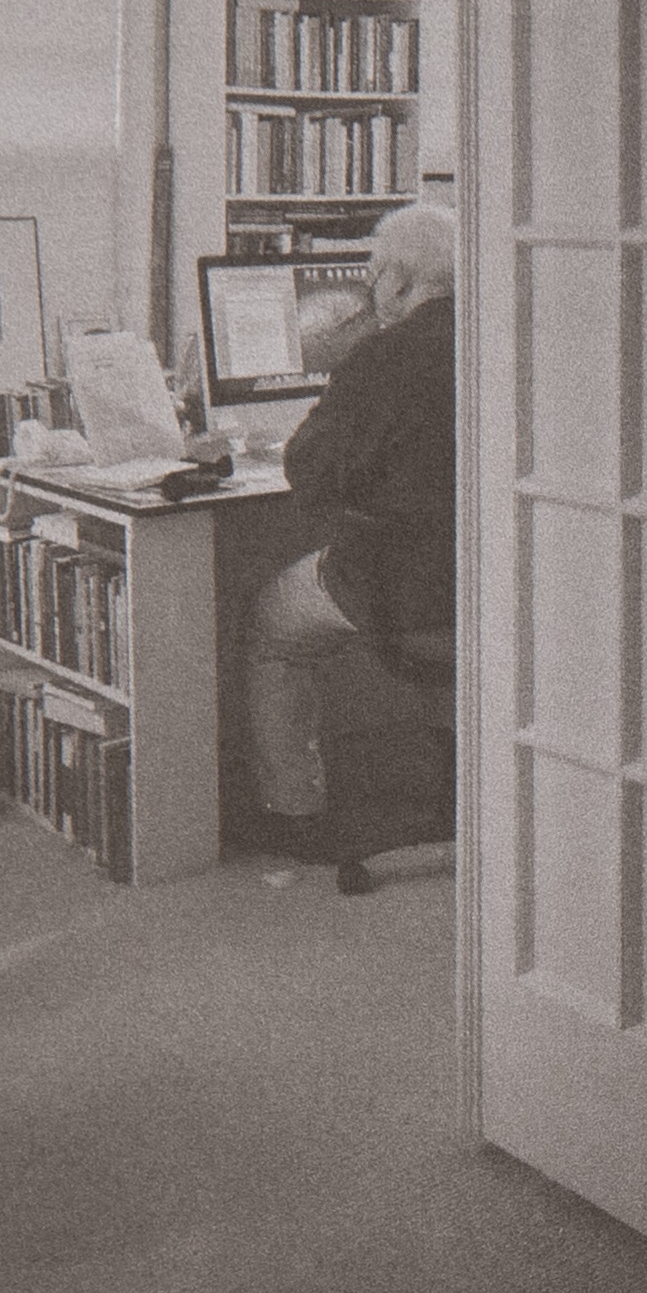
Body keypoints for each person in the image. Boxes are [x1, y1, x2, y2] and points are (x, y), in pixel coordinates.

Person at [238, 201, 455, 852]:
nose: (370, 289)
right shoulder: (504, 340)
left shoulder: (384, 356)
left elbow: (308, 471)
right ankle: (459, 792)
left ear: (398, 280)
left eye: (372, 276)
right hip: (487, 591)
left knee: (272, 625)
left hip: (401, 593)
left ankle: (294, 813)